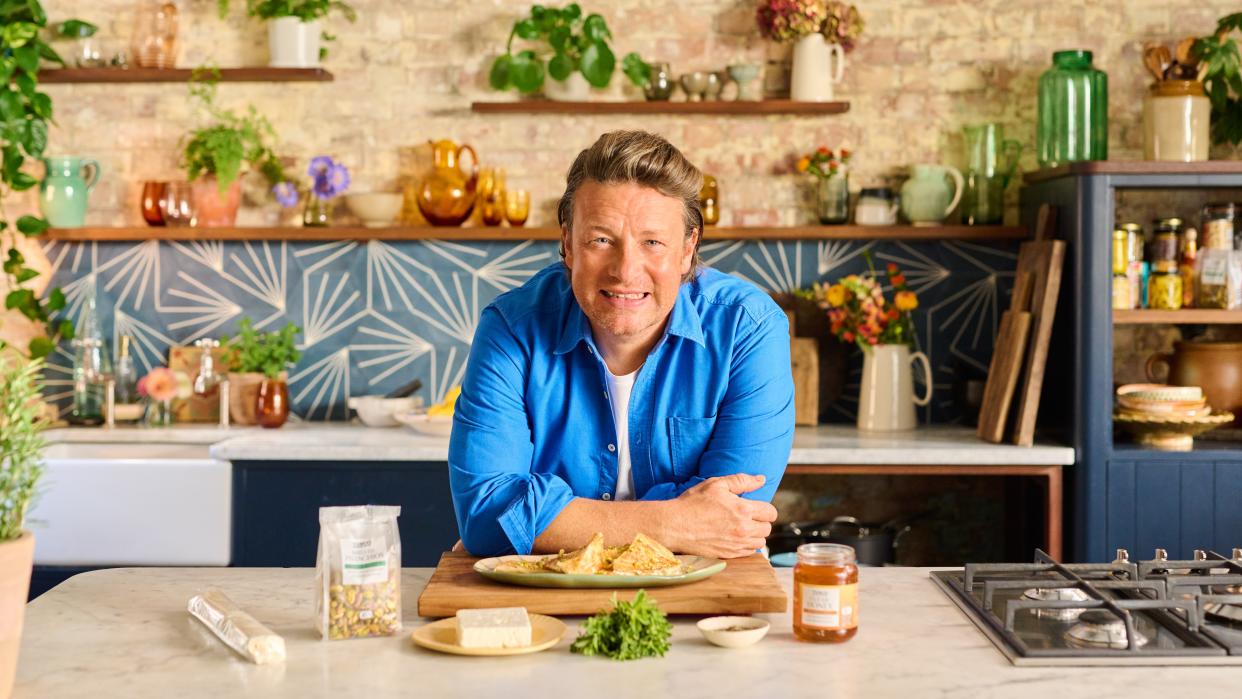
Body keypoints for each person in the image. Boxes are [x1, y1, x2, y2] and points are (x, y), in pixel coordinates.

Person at [448, 130, 794, 559]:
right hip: (548, 601)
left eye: (652, 242)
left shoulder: (749, 329)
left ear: (688, 250)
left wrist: (546, 520)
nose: (626, 271)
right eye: (601, 240)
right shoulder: (511, 329)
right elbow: (486, 516)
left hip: (705, 599)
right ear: (568, 244)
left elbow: (732, 518)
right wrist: (675, 521)